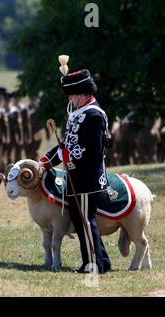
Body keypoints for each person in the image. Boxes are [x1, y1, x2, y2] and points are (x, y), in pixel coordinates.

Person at [39, 69, 111, 274]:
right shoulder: (78, 113)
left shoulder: (94, 115)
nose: (70, 98)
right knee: (81, 222)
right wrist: (45, 161)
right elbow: (67, 145)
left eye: (73, 94)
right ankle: (101, 261)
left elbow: (94, 150)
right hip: (75, 177)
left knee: (86, 222)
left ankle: (93, 264)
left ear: (85, 93)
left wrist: (69, 156)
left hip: (87, 178)